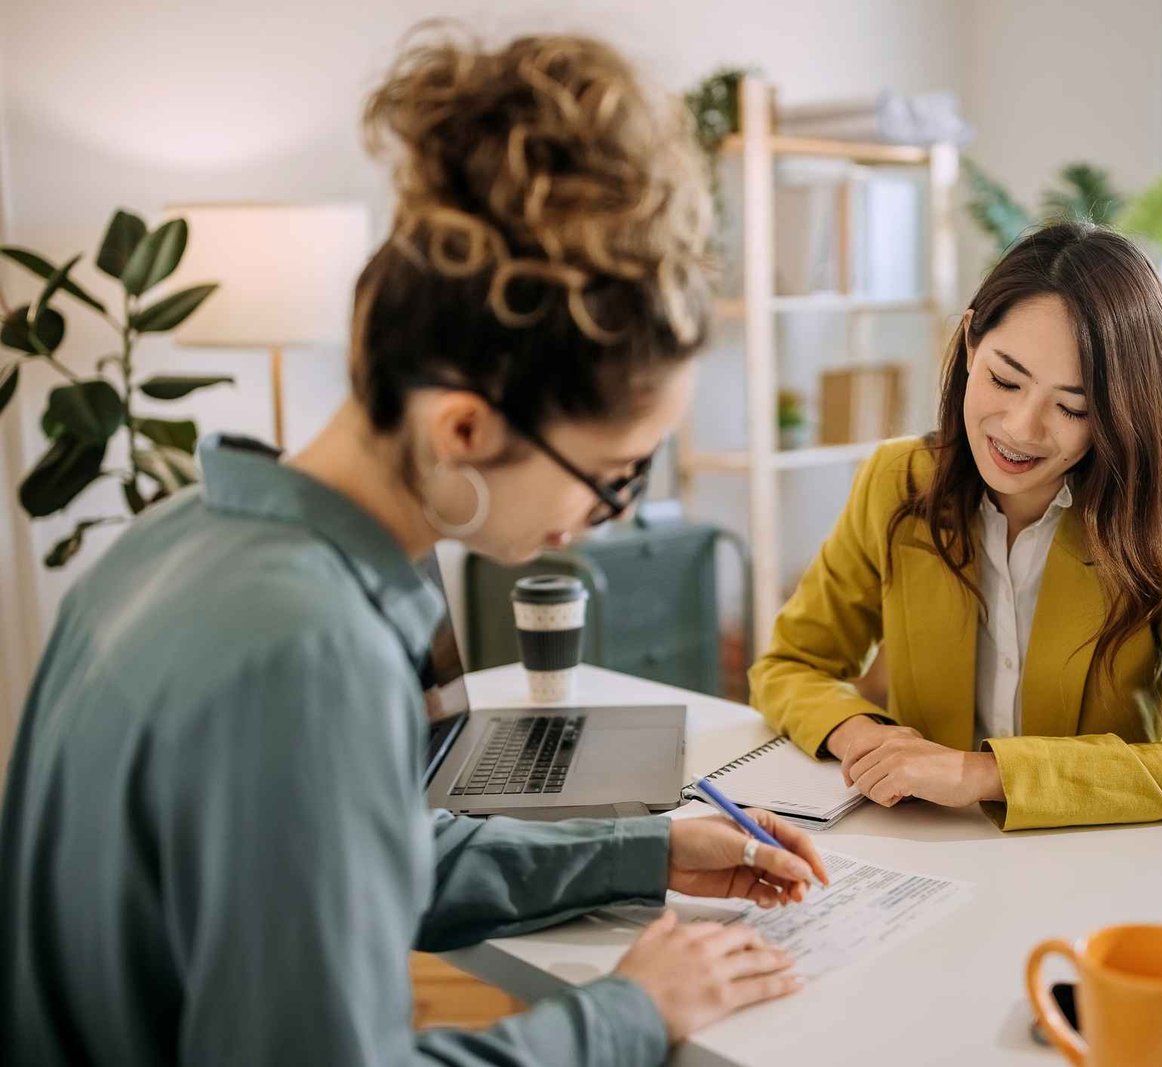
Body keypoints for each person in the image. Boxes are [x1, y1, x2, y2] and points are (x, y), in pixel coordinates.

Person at [0, 29, 827, 1067]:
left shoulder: (177, 534)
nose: (610, 514)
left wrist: (644, 848)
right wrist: (625, 1011)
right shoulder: (308, 653)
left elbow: (354, 863)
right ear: (464, 430)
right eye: (612, 473)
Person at [751, 221, 1162, 834]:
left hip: (1133, 855)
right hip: (947, 848)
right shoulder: (898, 481)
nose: (1022, 429)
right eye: (1005, 379)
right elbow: (790, 663)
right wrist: (860, 737)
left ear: (1119, 411)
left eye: (1073, 406)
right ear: (972, 344)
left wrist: (983, 774)